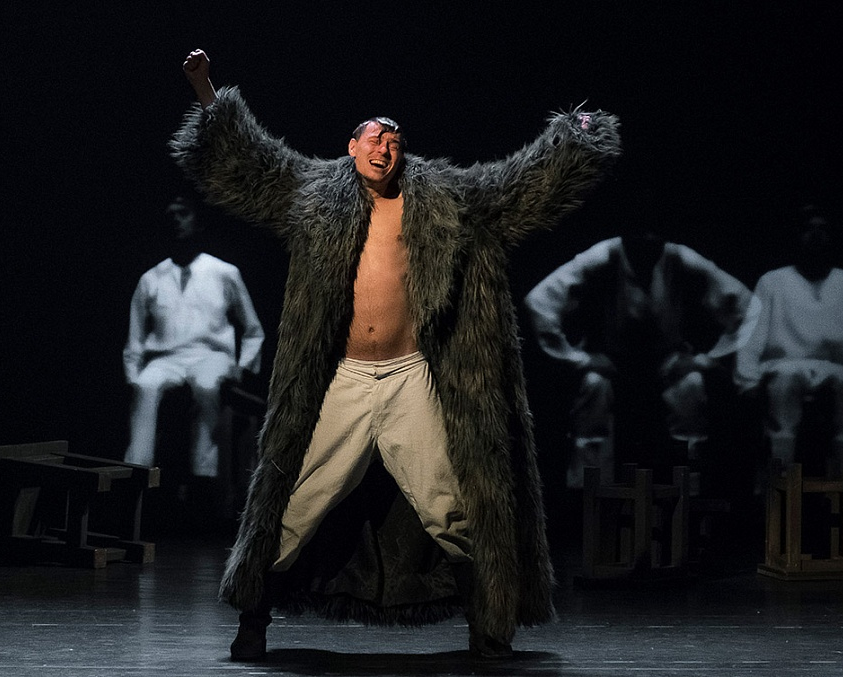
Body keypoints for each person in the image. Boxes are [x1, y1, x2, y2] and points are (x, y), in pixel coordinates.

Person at [170, 49, 621, 661]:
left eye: (394, 142)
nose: (385, 149)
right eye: (375, 139)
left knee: (450, 506)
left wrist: (575, 137)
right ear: (351, 147)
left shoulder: (444, 197)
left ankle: (489, 626)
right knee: (297, 503)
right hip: (344, 378)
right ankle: (254, 619)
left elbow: (518, 185)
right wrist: (204, 87)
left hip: (412, 377)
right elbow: (247, 159)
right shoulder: (312, 193)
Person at [524, 227, 752, 489]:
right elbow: (539, 302)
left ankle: (688, 491)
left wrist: (704, 360)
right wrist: (579, 359)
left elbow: (745, 305)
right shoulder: (604, 255)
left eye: (655, 234)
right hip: (612, 362)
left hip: (667, 362)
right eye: (640, 233)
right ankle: (589, 495)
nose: (648, 240)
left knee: (691, 386)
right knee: (593, 386)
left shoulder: (679, 257)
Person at [123, 194, 265, 498]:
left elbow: (253, 330)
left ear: (198, 222)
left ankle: (204, 472)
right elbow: (135, 337)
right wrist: (132, 373)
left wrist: (243, 367)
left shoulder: (224, 273)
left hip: (210, 355)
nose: (176, 221)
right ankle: (137, 469)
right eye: (171, 215)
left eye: (183, 214)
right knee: (145, 386)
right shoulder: (151, 278)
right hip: (165, 357)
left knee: (206, 384)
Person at [736, 204, 843, 477]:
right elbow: (752, 337)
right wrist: (748, 381)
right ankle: (780, 486)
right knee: (785, 383)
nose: (816, 236)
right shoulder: (772, 282)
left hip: (838, 369)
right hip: (784, 366)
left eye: (822, 230)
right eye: (808, 229)